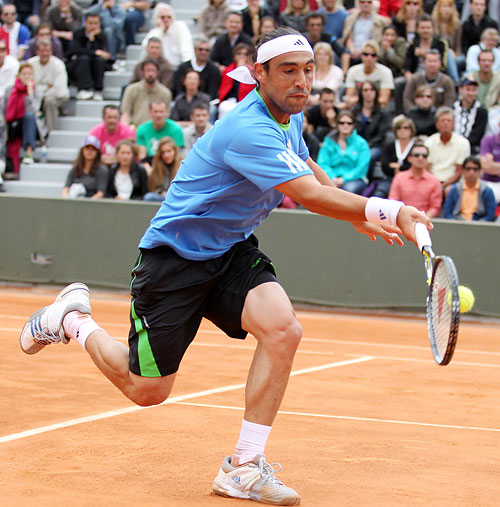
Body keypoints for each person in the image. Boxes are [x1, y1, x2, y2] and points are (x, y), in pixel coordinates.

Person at [19, 28, 431, 507]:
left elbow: (305, 164)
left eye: (307, 70)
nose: (302, 82)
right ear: (259, 74)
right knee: (147, 391)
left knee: (283, 330)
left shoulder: (289, 113)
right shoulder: (248, 129)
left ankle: (243, 467)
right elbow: (308, 195)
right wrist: (389, 210)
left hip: (230, 251)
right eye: (288, 71)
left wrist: (353, 213)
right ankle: (72, 319)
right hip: (174, 260)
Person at [317, 110, 370, 194]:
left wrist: (344, 179)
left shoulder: (361, 143)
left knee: (347, 190)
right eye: (342, 123)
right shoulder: (328, 141)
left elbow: (361, 168)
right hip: (331, 178)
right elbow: (322, 163)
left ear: (353, 125)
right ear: (337, 124)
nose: (345, 125)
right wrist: (332, 177)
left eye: (349, 123)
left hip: (354, 180)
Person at [389, 142, 443, 217]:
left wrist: (423, 219)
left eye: (424, 156)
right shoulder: (399, 178)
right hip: (401, 219)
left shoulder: (434, 181)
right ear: (409, 158)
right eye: (416, 155)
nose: (420, 158)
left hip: (425, 221)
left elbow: (435, 207)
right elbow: (393, 202)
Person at [425, 106, 471, 193]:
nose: (446, 123)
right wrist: (435, 183)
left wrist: (445, 185)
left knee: (449, 190)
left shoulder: (463, 143)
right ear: (437, 124)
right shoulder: (429, 142)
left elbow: (460, 170)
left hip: (454, 183)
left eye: (449, 121)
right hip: (431, 181)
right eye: (442, 121)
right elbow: (426, 168)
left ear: (453, 124)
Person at [27, 39, 69, 133]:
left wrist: (39, 89)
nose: (45, 54)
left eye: (47, 51)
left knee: (50, 101)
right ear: (37, 51)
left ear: (51, 51)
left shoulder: (58, 65)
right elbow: (26, 84)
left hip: (56, 97)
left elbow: (60, 91)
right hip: (35, 96)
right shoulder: (30, 63)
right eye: (42, 51)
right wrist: (47, 87)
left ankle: (50, 133)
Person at [5, 63, 44, 165]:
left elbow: (35, 110)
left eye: (29, 74)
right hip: (12, 123)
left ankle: (29, 153)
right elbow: (3, 109)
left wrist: (30, 93)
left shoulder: (37, 90)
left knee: (29, 116)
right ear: (18, 75)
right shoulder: (10, 90)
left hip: (30, 125)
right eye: (24, 74)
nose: (27, 76)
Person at [67, 13, 110, 101]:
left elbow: (105, 54)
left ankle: (98, 90)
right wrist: (95, 52)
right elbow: (76, 50)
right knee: (84, 59)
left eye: (96, 23)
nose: (93, 26)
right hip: (80, 63)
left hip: (94, 63)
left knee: (99, 60)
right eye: (90, 23)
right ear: (85, 23)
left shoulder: (102, 36)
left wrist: (92, 40)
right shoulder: (77, 34)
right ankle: (84, 89)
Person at [121, 58, 173, 128]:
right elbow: (125, 113)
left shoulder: (165, 93)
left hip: (157, 130)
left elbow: (166, 116)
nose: (150, 74)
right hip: (135, 128)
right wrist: (126, 130)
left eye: (153, 70)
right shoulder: (131, 90)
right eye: (148, 70)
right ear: (142, 72)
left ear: (157, 72)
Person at [142, 3, 194, 70]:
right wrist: (160, 30)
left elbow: (187, 52)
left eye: (169, 17)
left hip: (179, 68)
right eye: (162, 17)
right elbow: (146, 47)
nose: (166, 20)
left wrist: (187, 69)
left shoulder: (180, 27)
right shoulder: (154, 32)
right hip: (160, 69)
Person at [344, 40, 395, 109]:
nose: (369, 58)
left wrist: (363, 100)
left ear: (377, 57)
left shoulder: (386, 72)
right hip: (357, 108)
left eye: (373, 55)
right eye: (366, 54)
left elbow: (384, 100)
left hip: (378, 108)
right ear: (361, 55)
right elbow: (349, 98)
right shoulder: (353, 70)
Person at [443, 155, 497, 220]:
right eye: (468, 169)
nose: (471, 172)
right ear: (463, 171)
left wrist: (479, 223)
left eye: (475, 169)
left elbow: (490, 216)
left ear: (480, 171)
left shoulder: (487, 191)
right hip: (457, 223)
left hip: (479, 224)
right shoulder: (455, 189)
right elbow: (447, 213)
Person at [135, 99, 184, 168]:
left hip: (169, 163)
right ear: (150, 112)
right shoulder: (142, 129)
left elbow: (176, 154)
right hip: (150, 162)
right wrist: (147, 168)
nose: (159, 115)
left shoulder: (176, 129)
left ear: (167, 112)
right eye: (155, 112)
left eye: (161, 111)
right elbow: (142, 155)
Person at [377, 115, 416, 198]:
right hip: (390, 179)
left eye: (406, 128)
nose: (402, 130)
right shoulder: (389, 146)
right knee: (379, 194)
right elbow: (385, 167)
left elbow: (413, 167)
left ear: (411, 130)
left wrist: (398, 167)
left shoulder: (415, 148)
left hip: (411, 180)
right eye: (399, 128)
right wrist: (402, 167)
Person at [342, 0, 389, 69]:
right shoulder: (350, 19)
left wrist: (362, 51)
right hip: (352, 52)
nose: (366, 4)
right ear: (358, 3)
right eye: (362, 2)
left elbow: (378, 41)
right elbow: (348, 38)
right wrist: (352, 49)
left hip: (370, 53)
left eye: (369, 2)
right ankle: (344, 74)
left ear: (372, 4)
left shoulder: (380, 21)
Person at [218, 42, 256, 118]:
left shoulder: (252, 71)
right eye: (239, 54)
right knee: (223, 107)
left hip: (245, 100)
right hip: (230, 100)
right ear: (234, 56)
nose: (242, 56)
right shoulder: (228, 70)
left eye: (245, 54)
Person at [453, 77, 487, 154]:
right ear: (460, 90)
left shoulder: (481, 111)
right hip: (452, 146)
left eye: (474, 90)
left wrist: (463, 145)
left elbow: (477, 134)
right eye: (468, 89)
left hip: (471, 148)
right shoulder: (453, 108)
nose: (471, 93)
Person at [143, 136, 182, 201]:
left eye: (169, 151)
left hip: (177, 197)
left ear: (174, 151)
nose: (166, 155)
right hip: (163, 197)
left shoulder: (182, 165)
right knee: (149, 197)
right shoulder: (157, 165)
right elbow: (154, 188)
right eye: (163, 152)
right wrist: (162, 193)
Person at [479, 125, 500, 203]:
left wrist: (492, 164)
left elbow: (489, 166)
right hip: (489, 182)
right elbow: (485, 166)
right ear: (499, 124)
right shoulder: (488, 139)